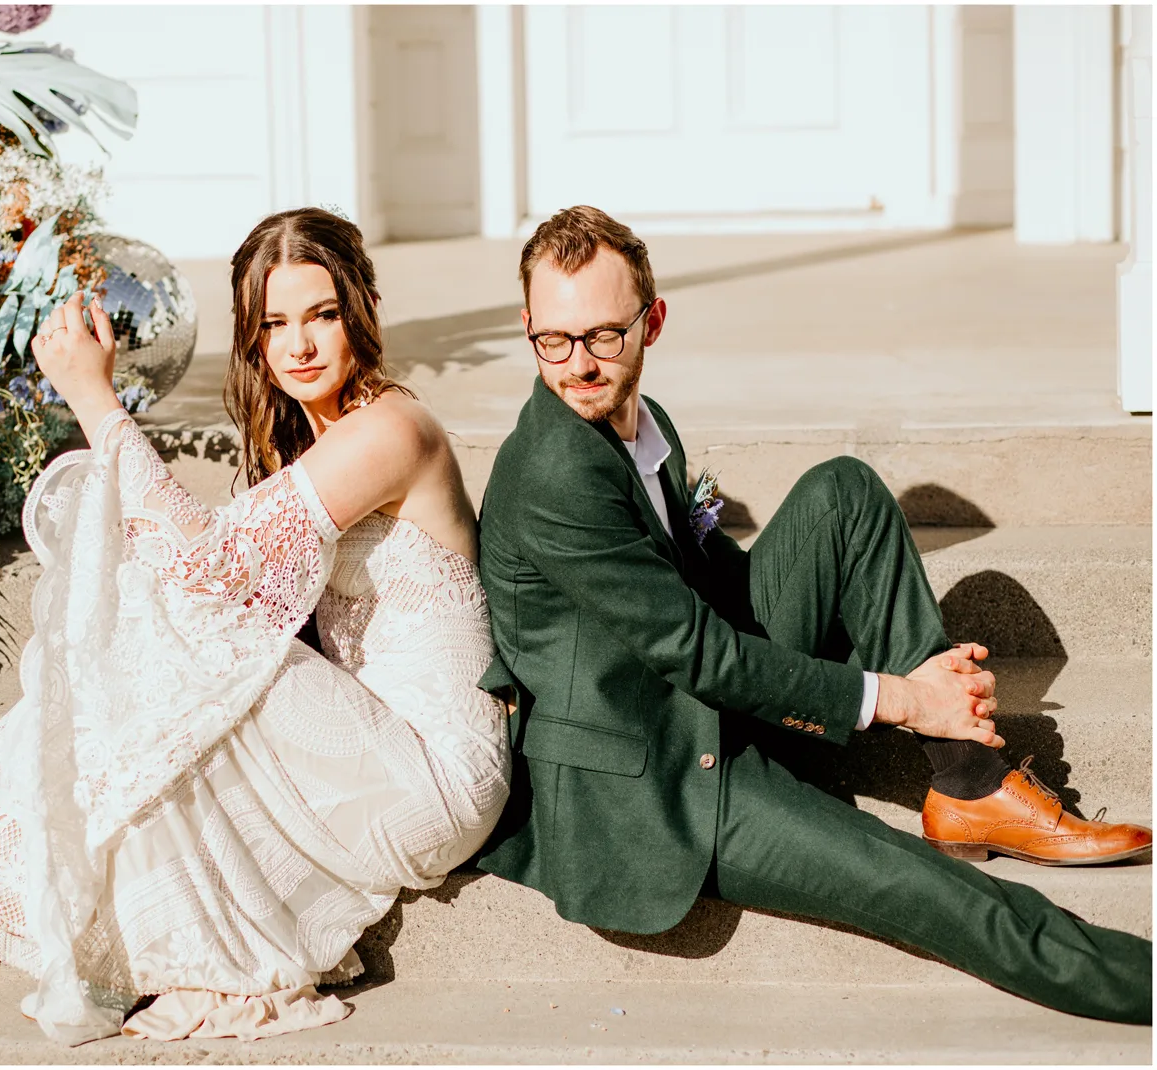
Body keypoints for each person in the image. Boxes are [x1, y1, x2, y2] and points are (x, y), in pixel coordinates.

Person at [0, 208, 510, 1043]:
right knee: (156, 656)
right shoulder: (317, 433)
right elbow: (205, 577)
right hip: (361, 746)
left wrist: (93, 396)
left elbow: (207, 567)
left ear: (361, 310)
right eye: (273, 324)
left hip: (430, 771)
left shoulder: (390, 429)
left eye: (322, 315)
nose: (298, 345)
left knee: (166, 649)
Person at [473, 205, 1152, 1024]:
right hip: (657, 779)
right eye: (553, 339)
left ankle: (969, 781)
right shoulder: (554, 471)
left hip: (710, 701)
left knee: (844, 494)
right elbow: (701, 654)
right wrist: (903, 697)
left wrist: (905, 690)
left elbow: (710, 582)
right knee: (919, 882)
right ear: (528, 326)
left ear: (652, 322)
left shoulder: (643, 423)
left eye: (604, 336)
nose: (579, 364)